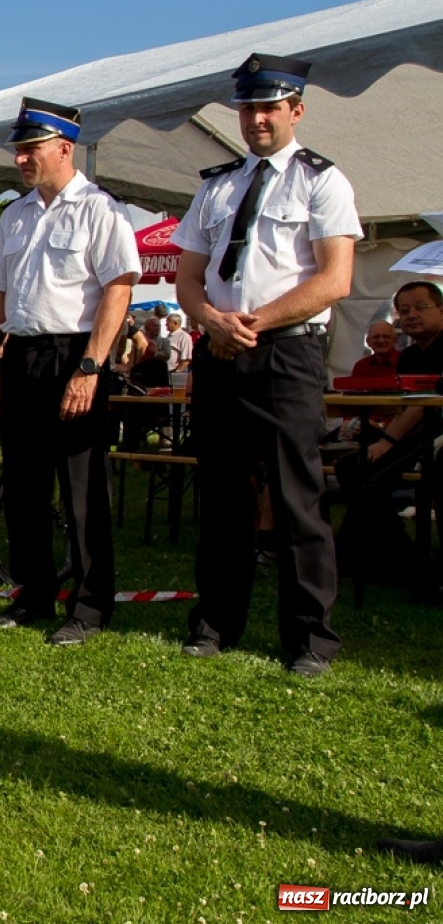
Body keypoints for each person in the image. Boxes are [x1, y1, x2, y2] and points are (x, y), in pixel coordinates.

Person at [172, 53, 359, 678]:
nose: (255, 118)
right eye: (248, 107)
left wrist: (251, 323)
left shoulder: (322, 181)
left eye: (268, 107)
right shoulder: (216, 185)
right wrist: (211, 322)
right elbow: (189, 280)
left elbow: (335, 279)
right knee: (223, 494)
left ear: (296, 111)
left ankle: (310, 639)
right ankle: (214, 623)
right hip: (220, 348)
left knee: (296, 495)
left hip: (286, 351)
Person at [0, 98, 139, 645]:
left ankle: (90, 606)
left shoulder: (100, 210)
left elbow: (118, 290)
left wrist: (92, 365)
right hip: (21, 355)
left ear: (65, 148)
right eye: (19, 149)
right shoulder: (14, 215)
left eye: (32, 148)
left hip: (76, 354)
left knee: (81, 486)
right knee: (22, 483)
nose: (22, 159)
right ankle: (34, 594)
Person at [334, 283, 443, 569]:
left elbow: (423, 404)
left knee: (371, 471)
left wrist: (386, 442)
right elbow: (406, 407)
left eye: (421, 307)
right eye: (404, 310)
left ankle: (355, 552)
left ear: (441, 311)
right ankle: (396, 550)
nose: (411, 315)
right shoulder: (409, 357)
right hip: (417, 434)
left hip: (435, 435)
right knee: (352, 466)